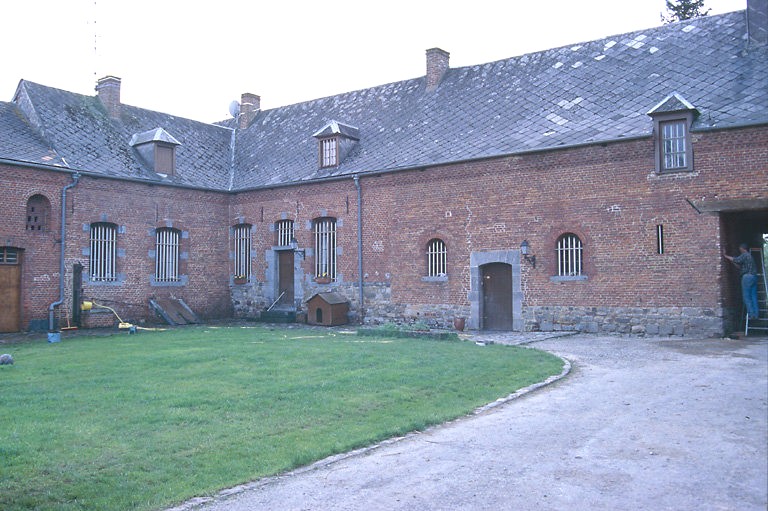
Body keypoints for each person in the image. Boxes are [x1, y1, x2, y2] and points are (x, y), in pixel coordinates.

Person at [723, 243, 759, 320]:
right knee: (753, 296)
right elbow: (740, 267)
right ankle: (756, 314)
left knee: (746, 297)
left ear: (743, 249)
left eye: (740, 250)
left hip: (747, 277)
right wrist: (733, 262)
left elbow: (736, 260)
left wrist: (725, 256)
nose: (740, 251)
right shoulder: (750, 257)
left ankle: (751, 315)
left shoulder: (745, 255)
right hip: (754, 277)